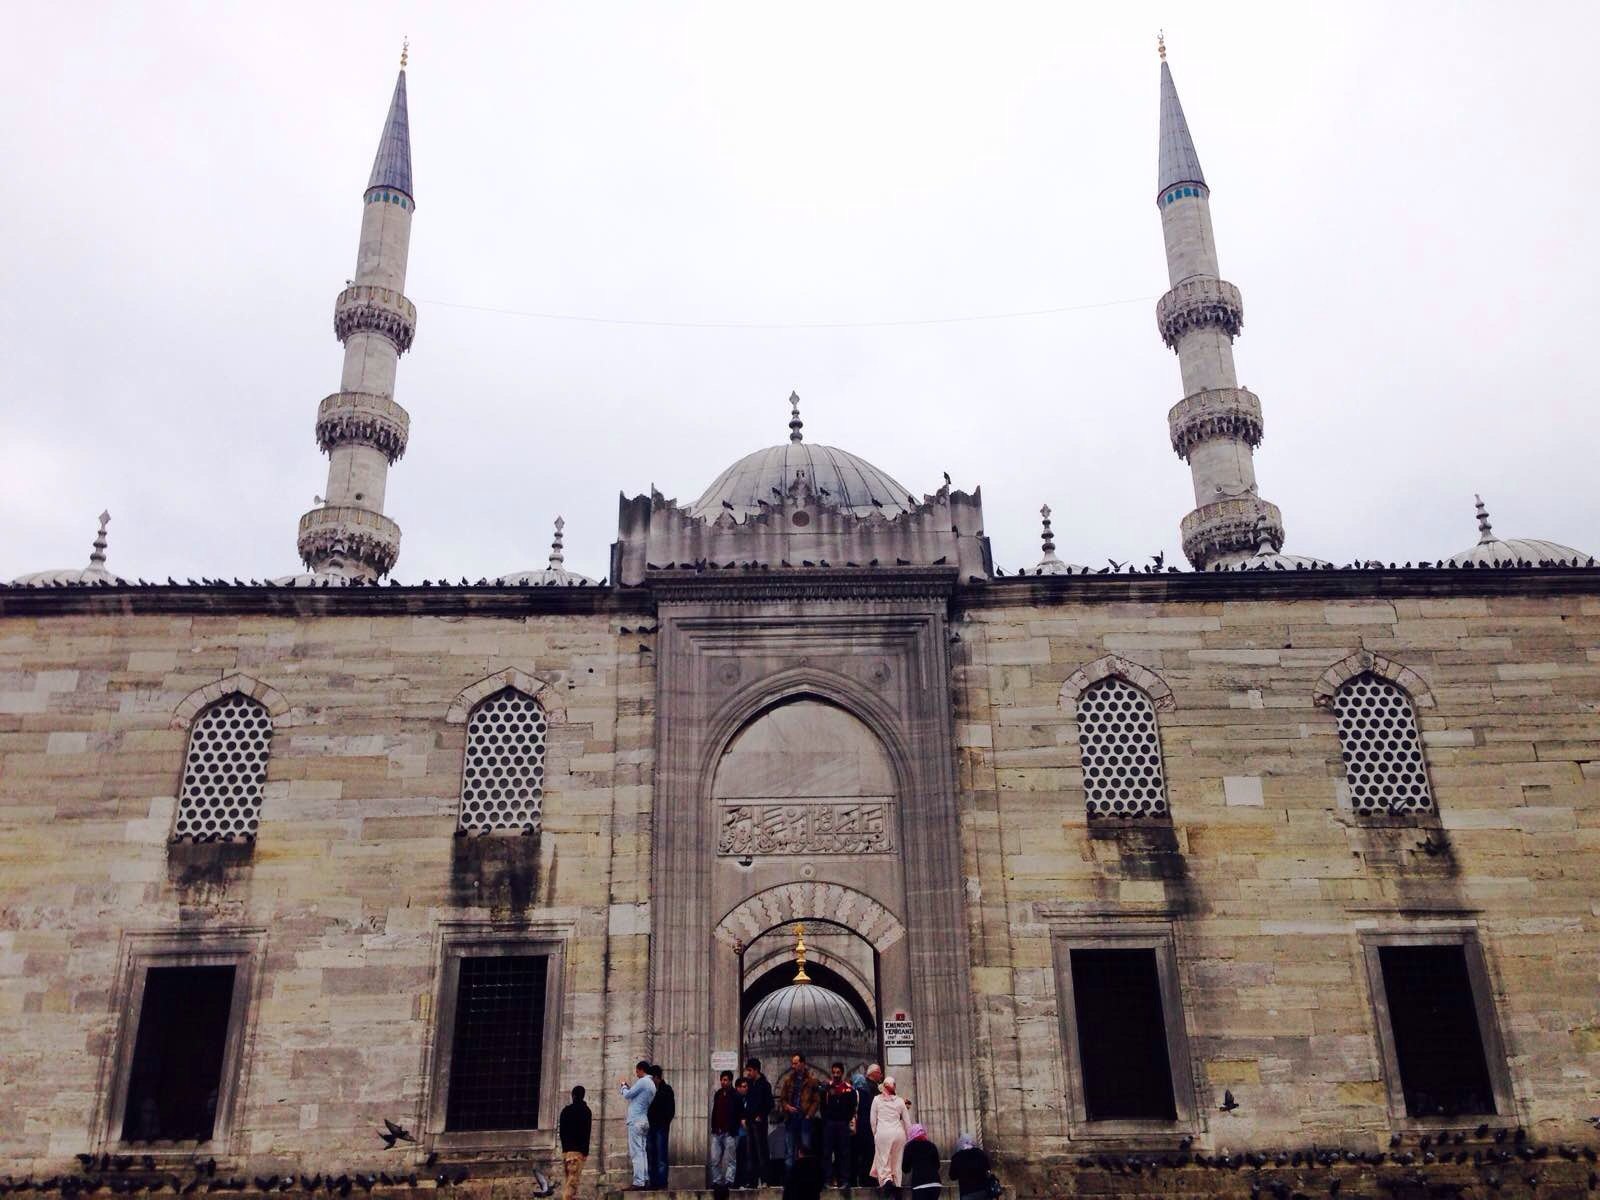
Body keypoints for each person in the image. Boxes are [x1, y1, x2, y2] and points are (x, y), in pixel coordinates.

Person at [774, 1054, 821, 1176]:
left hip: (804, 1119)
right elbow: (783, 1098)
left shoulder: (811, 1081)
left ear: (802, 1063)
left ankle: (806, 1177)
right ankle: (789, 1179)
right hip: (791, 1118)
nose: (793, 1066)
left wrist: (809, 1115)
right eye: (792, 1063)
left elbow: (816, 1100)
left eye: (795, 1063)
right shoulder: (788, 1080)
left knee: (805, 1150)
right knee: (790, 1151)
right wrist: (787, 1107)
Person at [868, 1076, 911, 1194]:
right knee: (897, 1161)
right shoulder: (900, 1101)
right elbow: (907, 1122)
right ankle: (897, 1186)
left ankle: (887, 1181)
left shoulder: (876, 1100)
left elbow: (872, 1120)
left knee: (883, 1159)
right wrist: (909, 1138)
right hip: (898, 1133)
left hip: (883, 1132)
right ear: (894, 1087)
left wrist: (875, 1134)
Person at [619, 1061, 657, 1189]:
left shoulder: (643, 1081)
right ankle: (645, 1179)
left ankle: (639, 1182)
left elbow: (628, 1095)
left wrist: (623, 1086)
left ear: (641, 1070)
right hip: (644, 1120)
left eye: (637, 1071)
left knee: (636, 1153)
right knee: (642, 1152)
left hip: (635, 1121)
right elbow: (636, 1097)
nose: (636, 1074)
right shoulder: (651, 1084)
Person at [821, 1062, 857, 1189]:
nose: (835, 1075)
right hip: (829, 1124)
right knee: (827, 1153)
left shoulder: (848, 1089)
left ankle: (845, 1180)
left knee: (844, 1153)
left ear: (842, 1073)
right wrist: (826, 1119)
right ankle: (827, 1180)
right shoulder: (826, 1088)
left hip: (843, 1124)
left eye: (838, 1072)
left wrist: (846, 1119)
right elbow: (822, 1106)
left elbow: (853, 1107)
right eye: (834, 1072)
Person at [743, 1059, 775, 1188]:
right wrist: (744, 1117)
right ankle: (752, 1181)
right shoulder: (750, 1084)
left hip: (759, 1123)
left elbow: (769, 1104)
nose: (748, 1073)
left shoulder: (764, 1085)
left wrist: (760, 1116)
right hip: (750, 1122)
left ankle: (765, 1180)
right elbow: (747, 1103)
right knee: (751, 1153)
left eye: (750, 1070)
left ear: (756, 1070)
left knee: (762, 1151)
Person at [709, 1070, 743, 1191]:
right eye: (722, 1080)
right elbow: (714, 1111)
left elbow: (739, 1114)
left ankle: (729, 1181)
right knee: (715, 1158)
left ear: (730, 1081)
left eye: (726, 1080)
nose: (723, 1082)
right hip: (717, 1132)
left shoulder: (736, 1095)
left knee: (730, 1159)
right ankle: (716, 1181)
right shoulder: (718, 1094)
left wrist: (734, 1128)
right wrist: (713, 1128)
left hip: (729, 1132)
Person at [558, 1086, 592, 1200]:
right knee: (572, 1185)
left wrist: (565, 1148)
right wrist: (585, 1151)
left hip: (567, 1152)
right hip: (578, 1152)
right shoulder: (586, 1111)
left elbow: (561, 1131)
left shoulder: (565, 1111)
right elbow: (587, 1132)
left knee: (570, 1181)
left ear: (573, 1095)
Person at [852, 1066, 882, 1186]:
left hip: (857, 1128)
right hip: (867, 1128)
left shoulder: (855, 1093)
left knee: (857, 1154)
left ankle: (856, 1180)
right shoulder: (869, 1093)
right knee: (868, 1154)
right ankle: (867, 1179)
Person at [647, 1064, 676, 1188]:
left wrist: (665, 1123)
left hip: (661, 1127)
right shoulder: (649, 1090)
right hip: (650, 1126)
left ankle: (662, 1182)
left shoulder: (667, 1090)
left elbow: (671, 1110)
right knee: (651, 1154)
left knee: (661, 1156)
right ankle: (653, 1182)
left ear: (656, 1077)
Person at [901, 1125, 941, 1200]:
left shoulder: (909, 1146)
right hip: (935, 1184)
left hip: (919, 1184)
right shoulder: (932, 1145)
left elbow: (905, 1169)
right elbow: (937, 1166)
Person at [948, 1134, 991, 1200]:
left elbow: (952, 1176)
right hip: (983, 1191)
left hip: (967, 1193)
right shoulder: (981, 1153)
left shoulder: (957, 1157)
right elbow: (988, 1170)